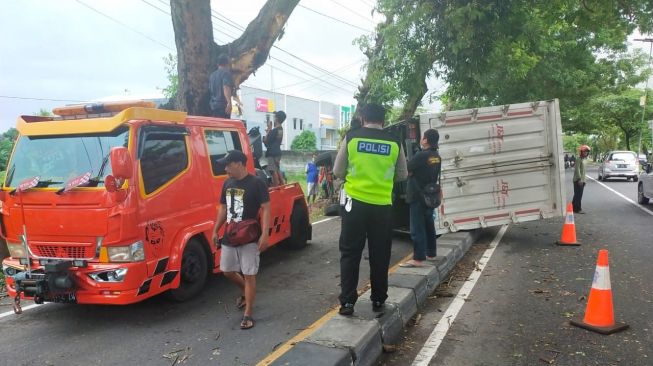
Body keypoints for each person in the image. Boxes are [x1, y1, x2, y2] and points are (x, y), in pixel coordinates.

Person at [333, 103, 408, 316]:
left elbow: (338, 171)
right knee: (380, 254)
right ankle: (378, 300)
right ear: (383, 121)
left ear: (363, 118)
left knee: (350, 253)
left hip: (354, 205)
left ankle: (347, 303)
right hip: (382, 206)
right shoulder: (394, 142)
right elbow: (402, 174)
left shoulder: (352, 137)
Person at [212, 150, 270, 330]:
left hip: (250, 236)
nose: (225, 168)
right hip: (230, 234)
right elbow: (223, 208)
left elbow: (266, 208)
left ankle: (248, 314)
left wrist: (265, 234)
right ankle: (247, 292)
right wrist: (215, 230)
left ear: (239, 163)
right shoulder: (227, 183)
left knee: (249, 273)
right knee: (227, 270)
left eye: (228, 164)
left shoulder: (257, 183)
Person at [400, 129, 441, 268]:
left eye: (423, 137)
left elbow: (406, 170)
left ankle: (418, 258)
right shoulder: (436, 156)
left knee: (417, 228)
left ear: (425, 140)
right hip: (430, 196)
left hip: (417, 196)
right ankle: (431, 253)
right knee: (429, 225)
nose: (421, 140)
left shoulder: (421, 155)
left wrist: (411, 173)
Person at [263, 111, 286, 186]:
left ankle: (276, 186)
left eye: (274, 116)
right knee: (277, 169)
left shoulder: (274, 130)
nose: (273, 118)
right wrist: (270, 131)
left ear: (277, 118)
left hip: (272, 153)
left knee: (272, 170)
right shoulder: (280, 129)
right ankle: (282, 184)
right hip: (278, 152)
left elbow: (266, 141)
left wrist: (269, 130)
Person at [209, 54, 234, 118]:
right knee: (224, 127)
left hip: (213, 108)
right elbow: (226, 87)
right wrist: (229, 102)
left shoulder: (212, 76)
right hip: (223, 108)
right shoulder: (226, 74)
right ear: (227, 64)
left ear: (218, 64)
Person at [572, 145, 590, 214]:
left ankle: (573, 208)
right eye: (585, 151)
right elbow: (577, 170)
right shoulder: (578, 159)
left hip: (582, 180)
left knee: (577, 194)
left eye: (587, 152)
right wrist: (579, 179)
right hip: (578, 180)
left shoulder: (584, 160)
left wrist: (584, 180)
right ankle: (578, 209)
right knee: (578, 195)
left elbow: (584, 171)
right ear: (581, 152)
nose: (586, 153)